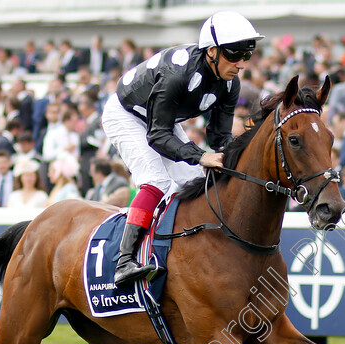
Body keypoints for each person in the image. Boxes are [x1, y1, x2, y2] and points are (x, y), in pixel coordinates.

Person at [101, 11, 262, 286]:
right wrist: (200, 156)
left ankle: (180, 254)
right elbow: (158, 136)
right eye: (235, 55)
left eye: (246, 56)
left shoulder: (230, 83)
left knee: (195, 181)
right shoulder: (177, 73)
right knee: (156, 181)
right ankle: (124, 260)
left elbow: (219, 137)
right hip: (126, 114)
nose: (241, 64)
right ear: (212, 51)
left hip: (161, 120)